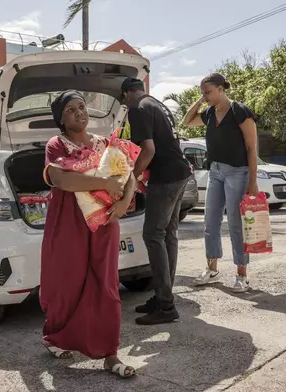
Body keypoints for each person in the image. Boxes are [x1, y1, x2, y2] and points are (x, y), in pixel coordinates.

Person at [40, 90, 137, 378]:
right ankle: (56, 336)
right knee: (67, 281)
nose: (79, 113)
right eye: (70, 110)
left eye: (81, 107)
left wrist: (121, 203)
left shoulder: (105, 143)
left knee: (106, 283)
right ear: (60, 118)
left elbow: (128, 174)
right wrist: (103, 183)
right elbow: (59, 179)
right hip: (68, 219)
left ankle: (110, 353)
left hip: (105, 219)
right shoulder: (56, 144)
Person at [121, 77, 193, 326]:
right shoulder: (156, 104)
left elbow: (148, 150)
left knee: (153, 235)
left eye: (123, 99)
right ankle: (163, 296)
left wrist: (132, 177)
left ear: (127, 94)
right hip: (181, 173)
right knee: (168, 235)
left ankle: (165, 305)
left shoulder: (136, 108)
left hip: (166, 178)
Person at [182, 72, 259, 293]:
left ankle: (241, 274)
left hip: (237, 172)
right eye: (202, 93)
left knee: (236, 224)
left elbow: (252, 149)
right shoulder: (208, 114)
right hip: (215, 172)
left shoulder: (240, 112)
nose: (205, 97)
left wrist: (252, 182)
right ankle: (212, 268)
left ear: (221, 89)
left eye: (207, 92)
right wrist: (200, 100)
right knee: (210, 222)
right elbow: (187, 121)